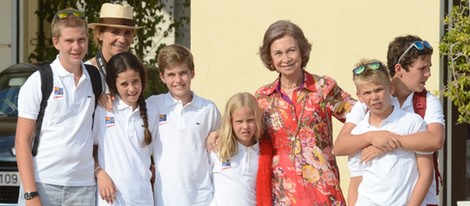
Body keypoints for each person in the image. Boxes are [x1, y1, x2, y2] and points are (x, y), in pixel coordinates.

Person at [333, 35, 445, 205]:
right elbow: (341, 146)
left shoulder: (427, 102)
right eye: (422, 68)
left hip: (418, 198)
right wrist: (372, 138)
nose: (428, 74)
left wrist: (386, 144)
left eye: (429, 67)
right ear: (399, 69)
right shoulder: (370, 101)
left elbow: (435, 140)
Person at [254, 20, 355, 205]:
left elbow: (361, 115)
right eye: (278, 53)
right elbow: (245, 133)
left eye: (291, 50)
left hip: (324, 194)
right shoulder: (262, 98)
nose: (286, 58)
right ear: (270, 58)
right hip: (283, 196)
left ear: (302, 50)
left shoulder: (323, 87)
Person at [15, 8, 96, 205]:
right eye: (69, 41)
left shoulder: (95, 79)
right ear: (56, 42)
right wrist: (30, 194)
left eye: (81, 39)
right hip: (43, 184)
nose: (76, 46)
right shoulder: (39, 81)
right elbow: (21, 141)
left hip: (83, 188)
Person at [346, 59, 433, 205]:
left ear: (391, 88)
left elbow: (426, 174)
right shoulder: (358, 133)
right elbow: (356, 180)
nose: (374, 97)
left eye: (379, 89)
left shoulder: (413, 122)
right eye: (367, 92)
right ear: (359, 96)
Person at [146, 44, 221, 206]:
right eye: (171, 74)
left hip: (203, 199)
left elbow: (219, 151)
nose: (178, 80)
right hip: (165, 198)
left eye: (183, 73)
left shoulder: (208, 109)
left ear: (192, 72)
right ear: (162, 77)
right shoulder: (153, 105)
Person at [92, 52, 154, 205]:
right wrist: (99, 173)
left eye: (135, 82)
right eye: (124, 84)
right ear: (114, 84)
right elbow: (87, 150)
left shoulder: (153, 110)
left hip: (142, 198)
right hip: (110, 199)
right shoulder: (103, 110)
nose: (132, 89)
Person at [210, 92, 273, 206]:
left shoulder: (264, 152)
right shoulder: (218, 149)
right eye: (239, 121)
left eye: (250, 120)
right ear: (230, 122)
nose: (245, 127)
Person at [87, 3, 140, 76]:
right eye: (115, 32)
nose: (122, 40)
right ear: (100, 34)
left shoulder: (135, 72)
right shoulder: (86, 73)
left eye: (127, 33)